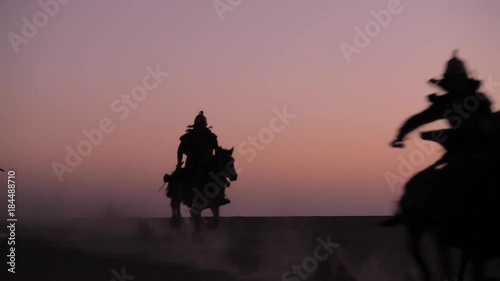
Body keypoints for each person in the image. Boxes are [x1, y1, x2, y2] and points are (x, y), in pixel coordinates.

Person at [390, 50, 491, 149]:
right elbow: (417, 120)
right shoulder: (444, 104)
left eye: (457, 78)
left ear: (464, 79)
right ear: (447, 81)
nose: (455, 83)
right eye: (452, 79)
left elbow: (492, 122)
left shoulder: (479, 99)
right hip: (464, 149)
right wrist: (401, 135)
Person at [177, 111, 229, 206]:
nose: (201, 126)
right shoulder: (189, 137)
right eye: (199, 125)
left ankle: (221, 196)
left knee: (220, 177)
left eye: (202, 125)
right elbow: (180, 150)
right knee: (187, 177)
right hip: (193, 161)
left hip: (208, 161)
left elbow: (216, 150)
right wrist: (179, 164)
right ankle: (188, 197)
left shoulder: (211, 136)